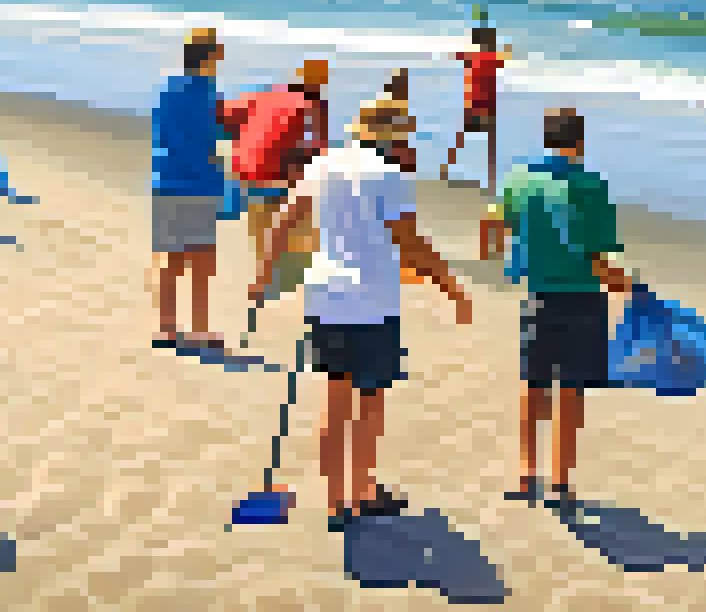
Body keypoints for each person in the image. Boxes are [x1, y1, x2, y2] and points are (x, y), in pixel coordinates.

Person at [252, 97, 470, 530]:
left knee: (334, 403)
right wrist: (451, 288)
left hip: (326, 297)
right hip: (373, 302)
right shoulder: (388, 175)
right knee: (369, 403)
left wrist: (264, 278)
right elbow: (411, 242)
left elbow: (282, 222)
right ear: (391, 136)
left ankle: (336, 504)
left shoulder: (324, 164)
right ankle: (361, 493)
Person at [485, 107, 633, 509]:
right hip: (583, 297)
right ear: (580, 141)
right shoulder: (591, 185)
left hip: (539, 294)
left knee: (533, 385)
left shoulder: (520, 179)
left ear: (546, 137)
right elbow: (599, 257)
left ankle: (524, 472)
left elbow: (496, 224)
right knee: (571, 389)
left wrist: (508, 254)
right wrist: (627, 284)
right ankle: (559, 480)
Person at [225, 59, 333, 298]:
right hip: (272, 176)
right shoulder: (315, 105)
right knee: (296, 214)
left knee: (262, 221)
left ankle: (269, 270)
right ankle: (269, 280)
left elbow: (223, 115)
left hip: (241, 170)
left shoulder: (268, 94)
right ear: (320, 83)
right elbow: (318, 148)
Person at [151, 28, 229, 350]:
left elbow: (164, 134)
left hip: (166, 180)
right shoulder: (209, 95)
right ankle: (199, 330)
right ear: (208, 57)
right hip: (198, 183)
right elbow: (213, 141)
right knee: (201, 260)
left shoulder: (167, 89)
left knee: (171, 259)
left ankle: (166, 328)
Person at [441, 28, 513, 182]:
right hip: (488, 104)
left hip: (474, 102)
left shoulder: (473, 57)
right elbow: (507, 55)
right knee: (490, 139)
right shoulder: (492, 57)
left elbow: (456, 55)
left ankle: (446, 166)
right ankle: (492, 175)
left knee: (462, 136)